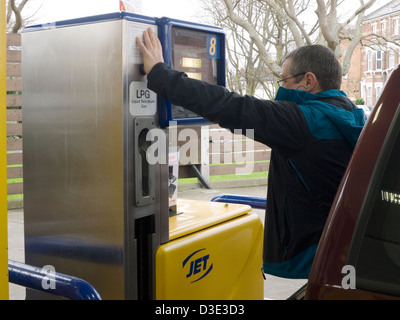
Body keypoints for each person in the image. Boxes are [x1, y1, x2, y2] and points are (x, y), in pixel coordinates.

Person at [136, 28, 365, 279]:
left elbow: (230, 106)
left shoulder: (305, 122)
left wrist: (159, 73)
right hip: (341, 250)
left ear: (308, 81)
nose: (282, 87)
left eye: (284, 80)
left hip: (310, 257)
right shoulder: (349, 115)